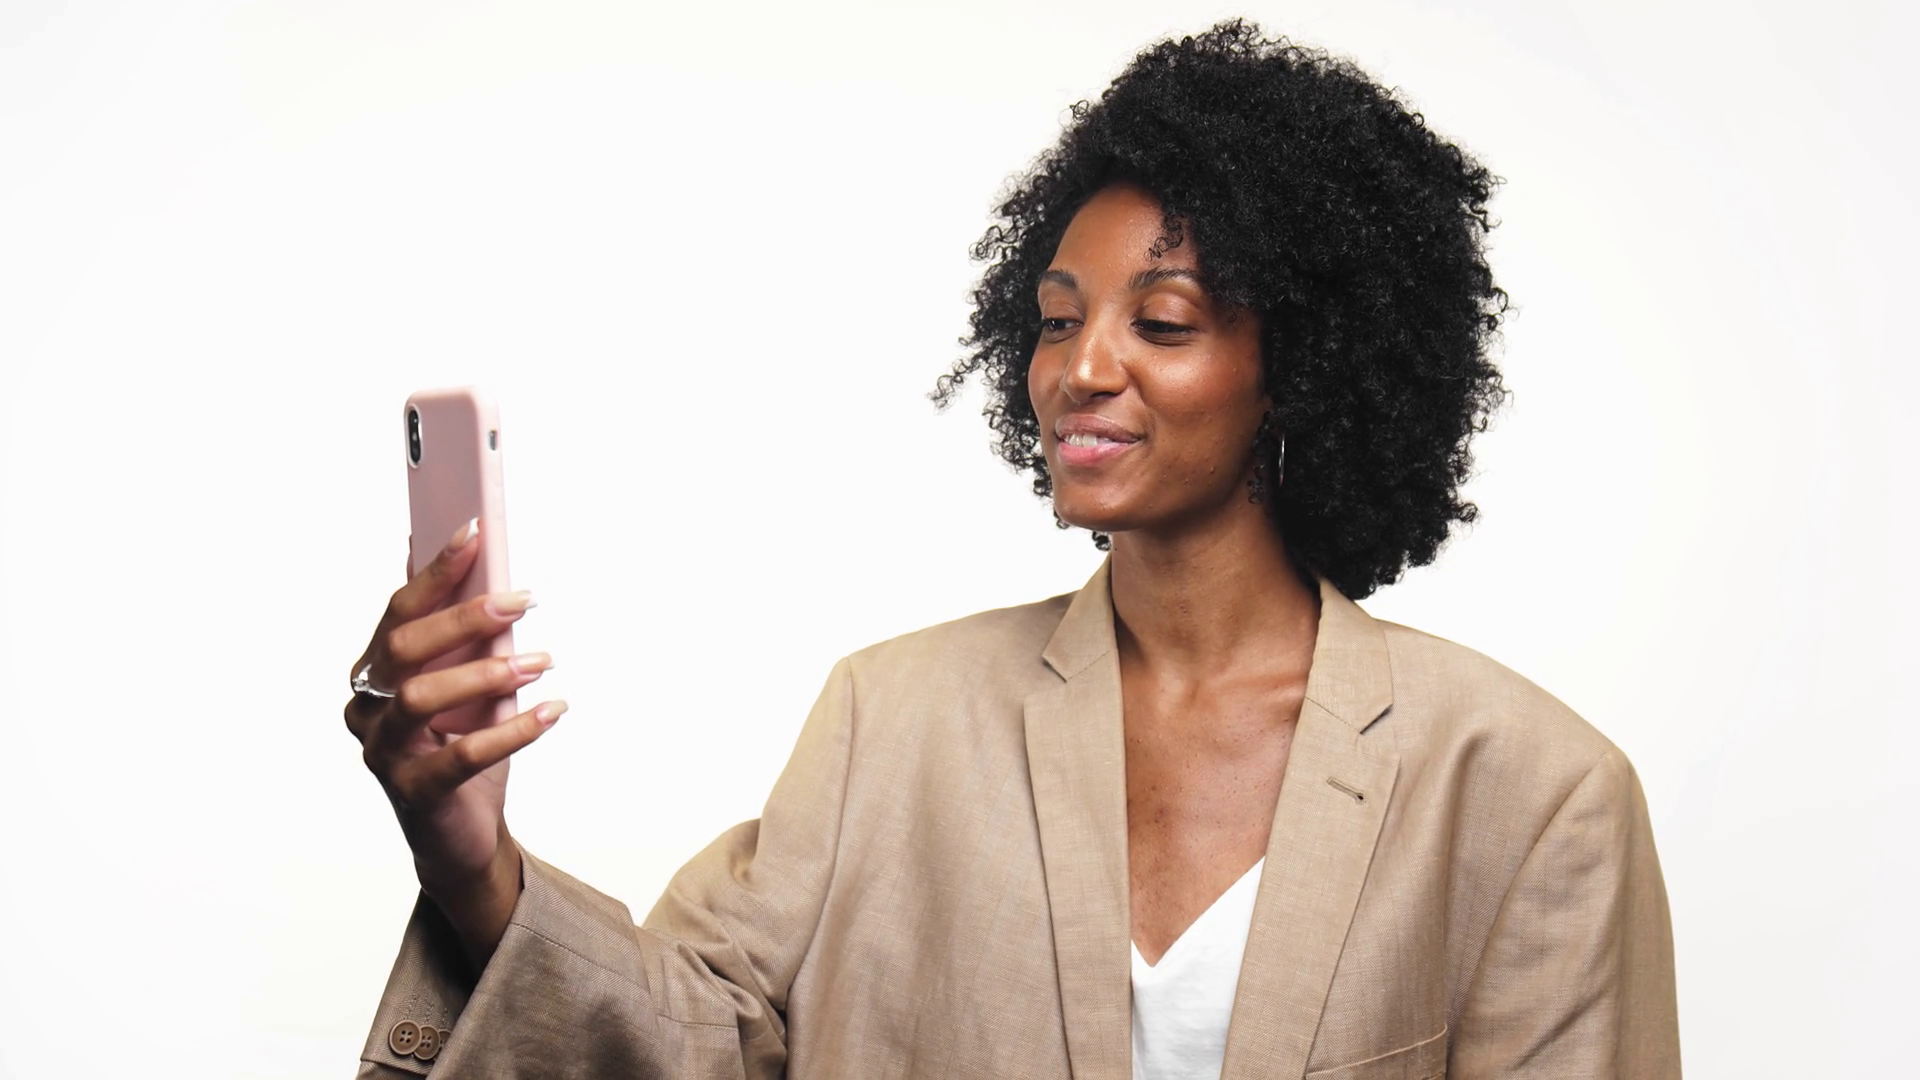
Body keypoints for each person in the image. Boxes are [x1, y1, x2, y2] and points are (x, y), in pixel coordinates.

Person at [344, 20, 1679, 1079]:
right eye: (1054, 319)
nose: (1079, 368)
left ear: (1302, 368)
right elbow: (689, 1042)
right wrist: (471, 865)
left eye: (1163, 322)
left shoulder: (1531, 796)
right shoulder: (890, 720)